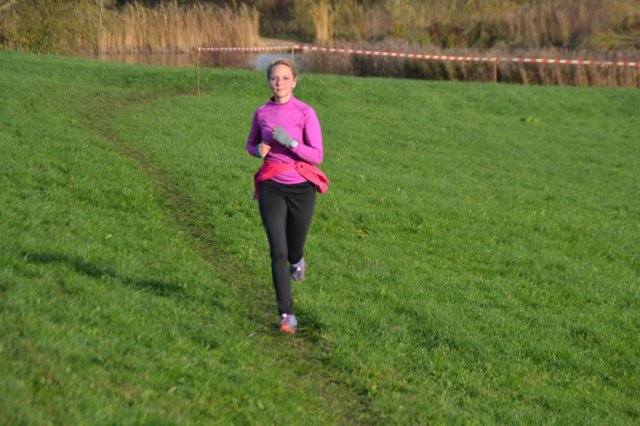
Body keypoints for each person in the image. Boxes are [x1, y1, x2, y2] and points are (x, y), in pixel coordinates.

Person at [246, 58, 329, 335]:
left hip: (302, 188)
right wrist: (258, 150)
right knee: (278, 250)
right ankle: (286, 314)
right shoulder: (262, 113)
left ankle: (297, 260)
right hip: (272, 185)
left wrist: (291, 142)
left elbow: (317, 155)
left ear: (294, 81)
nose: (279, 83)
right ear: (269, 81)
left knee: (293, 249)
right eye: (274, 78)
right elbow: (250, 143)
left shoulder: (305, 112)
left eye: (284, 78)